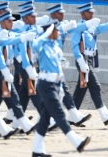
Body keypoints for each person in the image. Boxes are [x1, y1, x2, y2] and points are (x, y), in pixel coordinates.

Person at [30, 21, 91, 157]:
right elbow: (34, 45)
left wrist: (61, 86)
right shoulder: (42, 44)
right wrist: (44, 34)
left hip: (55, 83)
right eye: (55, 31)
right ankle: (76, 142)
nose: (58, 33)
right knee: (59, 114)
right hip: (45, 84)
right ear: (49, 32)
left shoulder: (55, 46)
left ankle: (37, 150)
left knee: (45, 118)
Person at [71, 3, 108, 126]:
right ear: (83, 14)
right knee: (95, 86)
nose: (92, 13)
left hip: (90, 60)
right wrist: (81, 61)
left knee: (81, 89)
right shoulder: (78, 27)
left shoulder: (93, 27)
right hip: (82, 60)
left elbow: (104, 27)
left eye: (92, 11)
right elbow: (74, 47)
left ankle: (71, 117)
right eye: (89, 12)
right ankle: (104, 115)